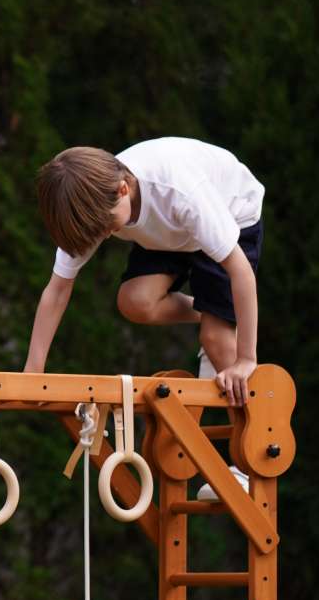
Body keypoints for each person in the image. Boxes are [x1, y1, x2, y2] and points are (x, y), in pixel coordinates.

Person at [24, 138, 264, 421]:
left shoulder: (179, 193)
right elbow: (57, 290)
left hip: (230, 212)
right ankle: (213, 313)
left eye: (108, 227)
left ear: (123, 189)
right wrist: (33, 371)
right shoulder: (88, 206)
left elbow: (240, 272)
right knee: (135, 302)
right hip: (169, 232)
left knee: (216, 340)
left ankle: (254, 439)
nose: (105, 235)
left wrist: (246, 359)